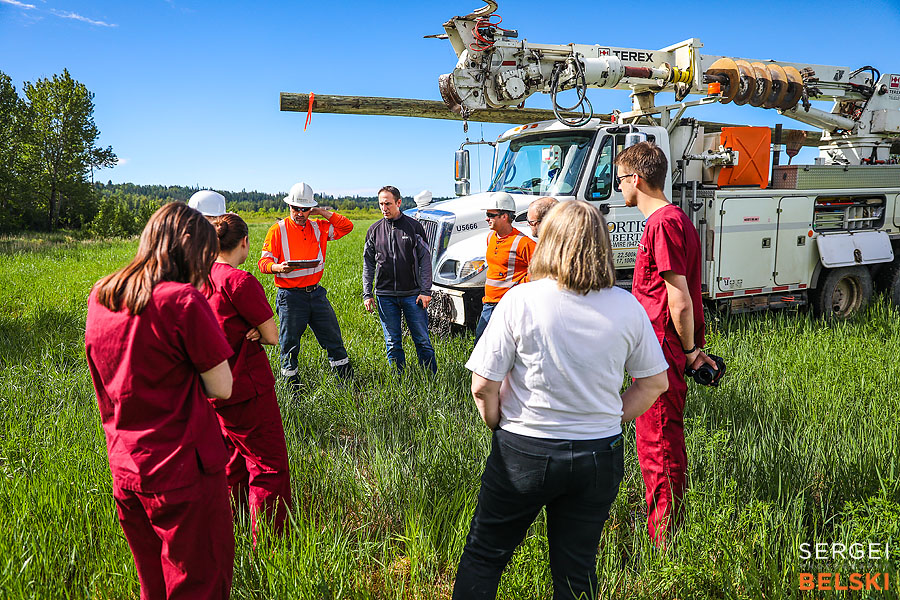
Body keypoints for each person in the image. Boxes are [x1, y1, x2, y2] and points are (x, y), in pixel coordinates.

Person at [454, 200, 669, 600]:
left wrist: (497, 424)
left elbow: (482, 385)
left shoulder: (521, 300)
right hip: (598, 455)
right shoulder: (627, 306)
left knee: (485, 555)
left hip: (524, 449)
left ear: (548, 241)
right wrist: (610, 417)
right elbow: (655, 383)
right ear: (602, 245)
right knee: (576, 568)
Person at [85, 202, 235, 599]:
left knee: (152, 583)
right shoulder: (181, 300)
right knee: (199, 583)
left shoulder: (102, 294)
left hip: (127, 467)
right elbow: (222, 386)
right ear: (190, 248)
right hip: (183, 470)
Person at [615, 141, 718, 548]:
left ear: (635, 180)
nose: (620, 186)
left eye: (621, 179)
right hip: (662, 350)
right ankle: (664, 528)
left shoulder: (661, 223)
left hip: (662, 352)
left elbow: (678, 298)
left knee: (658, 444)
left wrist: (691, 352)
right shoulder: (675, 220)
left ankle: (664, 542)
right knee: (660, 441)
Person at [208, 213, 292, 545]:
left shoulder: (198, 278)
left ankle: (235, 528)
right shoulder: (238, 281)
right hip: (247, 387)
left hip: (214, 389)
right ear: (244, 242)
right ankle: (269, 544)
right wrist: (259, 329)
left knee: (232, 462)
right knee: (268, 466)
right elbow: (273, 336)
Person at [258, 181, 354, 380]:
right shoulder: (278, 230)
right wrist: (278, 267)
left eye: (305, 209)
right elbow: (263, 262)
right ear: (289, 206)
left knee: (333, 338)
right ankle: (291, 386)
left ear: (311, 209)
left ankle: (345, 380)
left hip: (316, 294)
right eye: (296, 208)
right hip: (290, 297)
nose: (300, 213)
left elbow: (347, 227)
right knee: (289, 344)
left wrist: (321, 211)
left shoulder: (318, 227)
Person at [362, 185, 437, 373]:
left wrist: (425, 291)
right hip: (385, 296)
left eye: (388, 203)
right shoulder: (374, 230)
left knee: (422, 340)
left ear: (399, 202)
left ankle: (431, 378)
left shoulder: (414, 227)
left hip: (413, 295)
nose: (384, 208)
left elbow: (425, 261)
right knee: (392, 342)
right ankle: (399, 380)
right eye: (381, 204)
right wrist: (367, 293)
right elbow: (368, 264)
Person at [474, 191, 535, 344]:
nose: (487, 218)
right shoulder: (490, 238)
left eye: (491, 215)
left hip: (508, 306)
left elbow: (539, 272)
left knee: (503, 346)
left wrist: (518, 288)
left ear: (505, 216)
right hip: (489, 303)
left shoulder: (524, 243)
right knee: (481, 344)